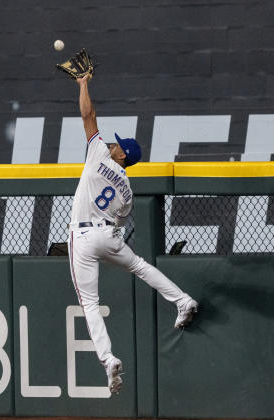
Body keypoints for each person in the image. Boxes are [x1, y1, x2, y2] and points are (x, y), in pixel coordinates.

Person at [67, 72, 199, 395]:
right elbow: (121, 220)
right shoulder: (127, 187)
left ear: (122, 154)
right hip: (109, 236)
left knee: (90, 303)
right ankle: (182, 300)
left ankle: (108, 359)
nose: (112, 144)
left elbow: (88, 114)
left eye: (118, 144)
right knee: (139, 266)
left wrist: (83, 85)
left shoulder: (97, 152)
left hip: (83, 238)